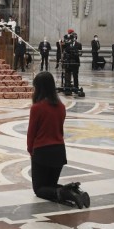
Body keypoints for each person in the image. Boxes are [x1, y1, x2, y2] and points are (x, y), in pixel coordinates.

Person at [28, 72, 89, 208]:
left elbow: (31, 133)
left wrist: (31, 150)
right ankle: (74, 190)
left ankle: (67, 193)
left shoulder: (37, 108)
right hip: (59, 151)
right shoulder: (61, 107)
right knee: (51, 185)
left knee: (39, 189)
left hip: (42, 151)